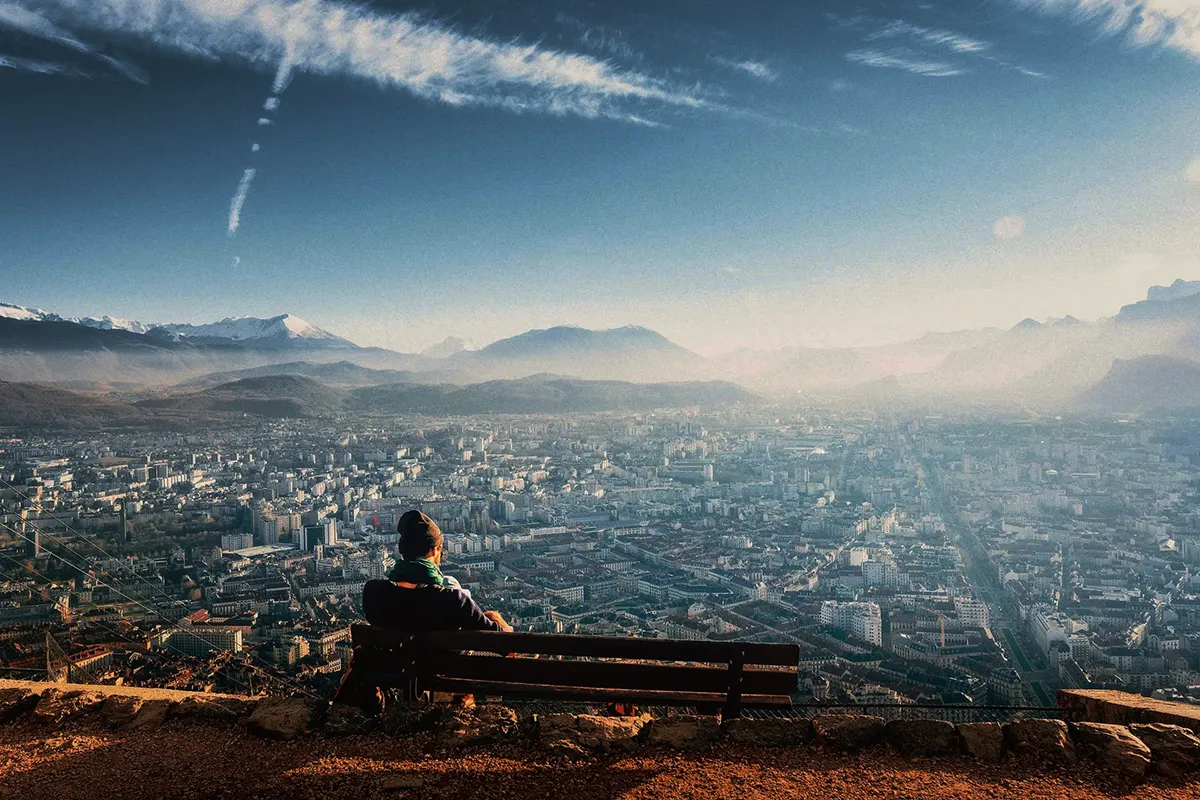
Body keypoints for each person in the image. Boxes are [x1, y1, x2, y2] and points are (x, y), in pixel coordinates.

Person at [361, 509, 512, 633]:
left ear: (402, 550)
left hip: (393, 668)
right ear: (434, 551)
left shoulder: (373, 593)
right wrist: (496, 618)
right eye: (440, 549)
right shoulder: (454, 601)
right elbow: (506, 644)